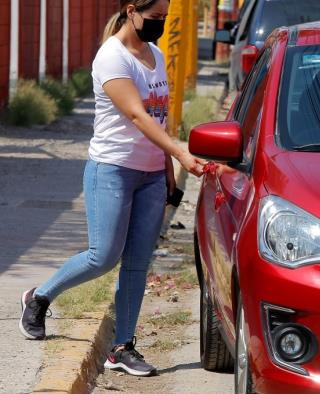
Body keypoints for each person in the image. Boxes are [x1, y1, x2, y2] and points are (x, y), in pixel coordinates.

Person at [18, 0, 205, 377]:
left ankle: (121, 348)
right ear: (132, 11)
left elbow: (158, 116)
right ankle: (39, 296)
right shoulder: (111, 58)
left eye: (166, 19)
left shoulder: (154, 54)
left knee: (137, 264)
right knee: (103, 256)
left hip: (151, 175)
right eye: (156, 19)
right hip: (113, 171)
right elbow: (136, 114)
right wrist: (182, 154)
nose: (161, 26)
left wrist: (167, 168)